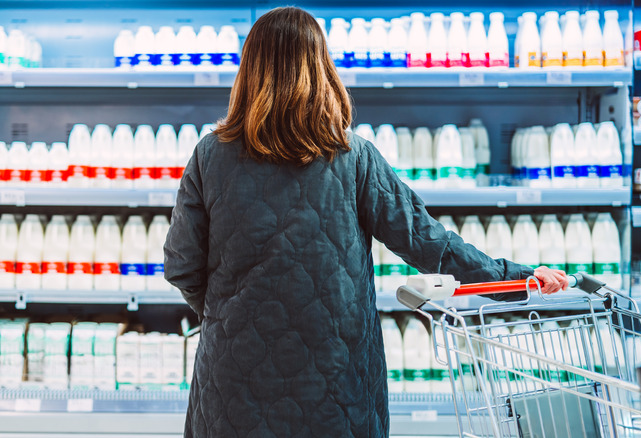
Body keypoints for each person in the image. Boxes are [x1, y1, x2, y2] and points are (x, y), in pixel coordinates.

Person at [164, 6, 569, 438]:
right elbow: (428, 243)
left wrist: (230, 310)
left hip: (232, 387)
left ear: (249, 72)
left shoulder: (209, 155)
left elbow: (182, 265)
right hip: (338, 384)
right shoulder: (354, 157)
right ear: (322, 69)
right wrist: (516, 278)